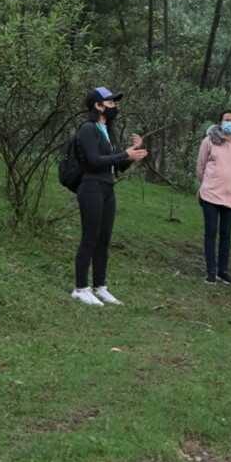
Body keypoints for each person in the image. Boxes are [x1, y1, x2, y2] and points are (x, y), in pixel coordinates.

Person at [71, 87, 147, 306]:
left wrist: (132, 154)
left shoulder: (107, 130)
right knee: (90, 237)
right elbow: (94, 161)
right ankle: (80, 288)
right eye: (111, 103)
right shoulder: (87, 129)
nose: (115, 106)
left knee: (104, 240)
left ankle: (100, 287)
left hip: (107, 188)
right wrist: (124, 154)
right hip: (91, 187)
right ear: (98, 105)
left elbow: (116, 165)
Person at [196, 110, 231, 285]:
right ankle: (211, 271)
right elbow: (201, 166)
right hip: (210, 194)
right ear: (220, 122)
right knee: (211, 233)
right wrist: (204, 184)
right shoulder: (209, 141)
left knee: (226, 235)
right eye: (226, 119)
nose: (229, 123)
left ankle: (223, 271)